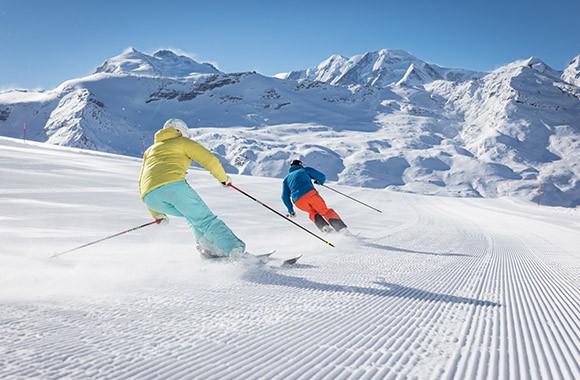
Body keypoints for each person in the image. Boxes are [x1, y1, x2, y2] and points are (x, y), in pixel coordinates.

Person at [138, 118, 245, 258]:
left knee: (192, 216)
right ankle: (235, 250)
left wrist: (156, 214)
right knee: (205, 219)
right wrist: (223, 179)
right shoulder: (182, 142)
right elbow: (209, 159)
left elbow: (142, 181)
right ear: (180, 131)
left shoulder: (150, 151)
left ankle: (208, 249)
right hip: (173, 187)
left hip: (150, 198)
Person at [281, 159, 347, 233]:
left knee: (312, 213)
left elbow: (284, 196)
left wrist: (290, 210)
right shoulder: (304, 170)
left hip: (298, 202)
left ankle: (325, 228)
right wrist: (319, 182)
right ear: (300, 165)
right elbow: (321, 176)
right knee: (324, 211)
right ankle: (341, 229)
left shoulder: (286, 179)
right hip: (310, 195)